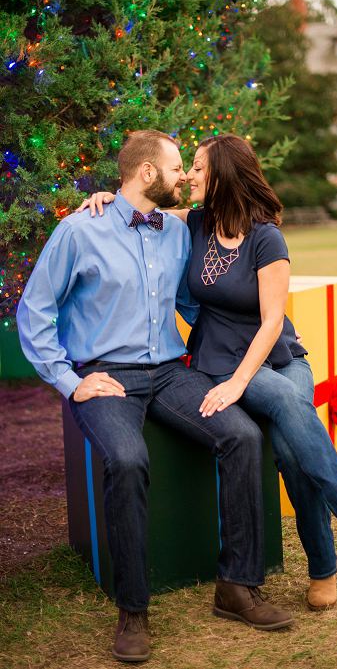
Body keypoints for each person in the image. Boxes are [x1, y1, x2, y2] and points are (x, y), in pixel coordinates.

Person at [80, 133, 337, 614]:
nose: (188, 176)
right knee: (290, 414)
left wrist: (240, 383)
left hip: (280, 358)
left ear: (222, 173)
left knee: (290, 444)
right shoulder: (195, 223)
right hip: (220, 360)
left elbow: (272, 323)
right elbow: (138, 205)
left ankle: (324, 565)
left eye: (197, 167)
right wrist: (103, 195)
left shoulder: (268, 237)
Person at [18, 130, 293, 664]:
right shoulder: (80, 229)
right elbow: (34, 313)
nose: (185, 179)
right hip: (106, 375)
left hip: (170, 372)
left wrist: (263, 341)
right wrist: (71, 381)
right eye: (175, 170)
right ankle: (134, 610)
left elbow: (198, 301)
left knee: (240, 434)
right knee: (126, 458)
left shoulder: (177, 229)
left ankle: (236, 587)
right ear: (147, 174)